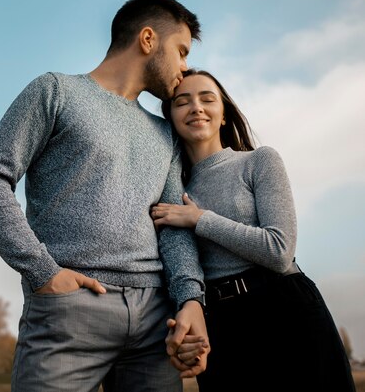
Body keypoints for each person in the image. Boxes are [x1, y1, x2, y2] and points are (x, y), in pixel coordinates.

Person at [0, 0, 210, 392]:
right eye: (181, 51)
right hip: (70, 311)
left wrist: (190, 301)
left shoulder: (166, 134)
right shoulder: (56, 92)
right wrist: (43, 273)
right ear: (148, 39)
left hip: (154, 319)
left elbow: (172, 225)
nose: (185, 67)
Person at [152, 69, 356, 392]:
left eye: (207, 99)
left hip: (286, 309)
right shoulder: (172, 194)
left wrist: (199, 219)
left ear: (222, 114)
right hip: (221, 324)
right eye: (182, 102)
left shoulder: (259, 161)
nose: (196, 107)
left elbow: (279, 250)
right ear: (171, 117)